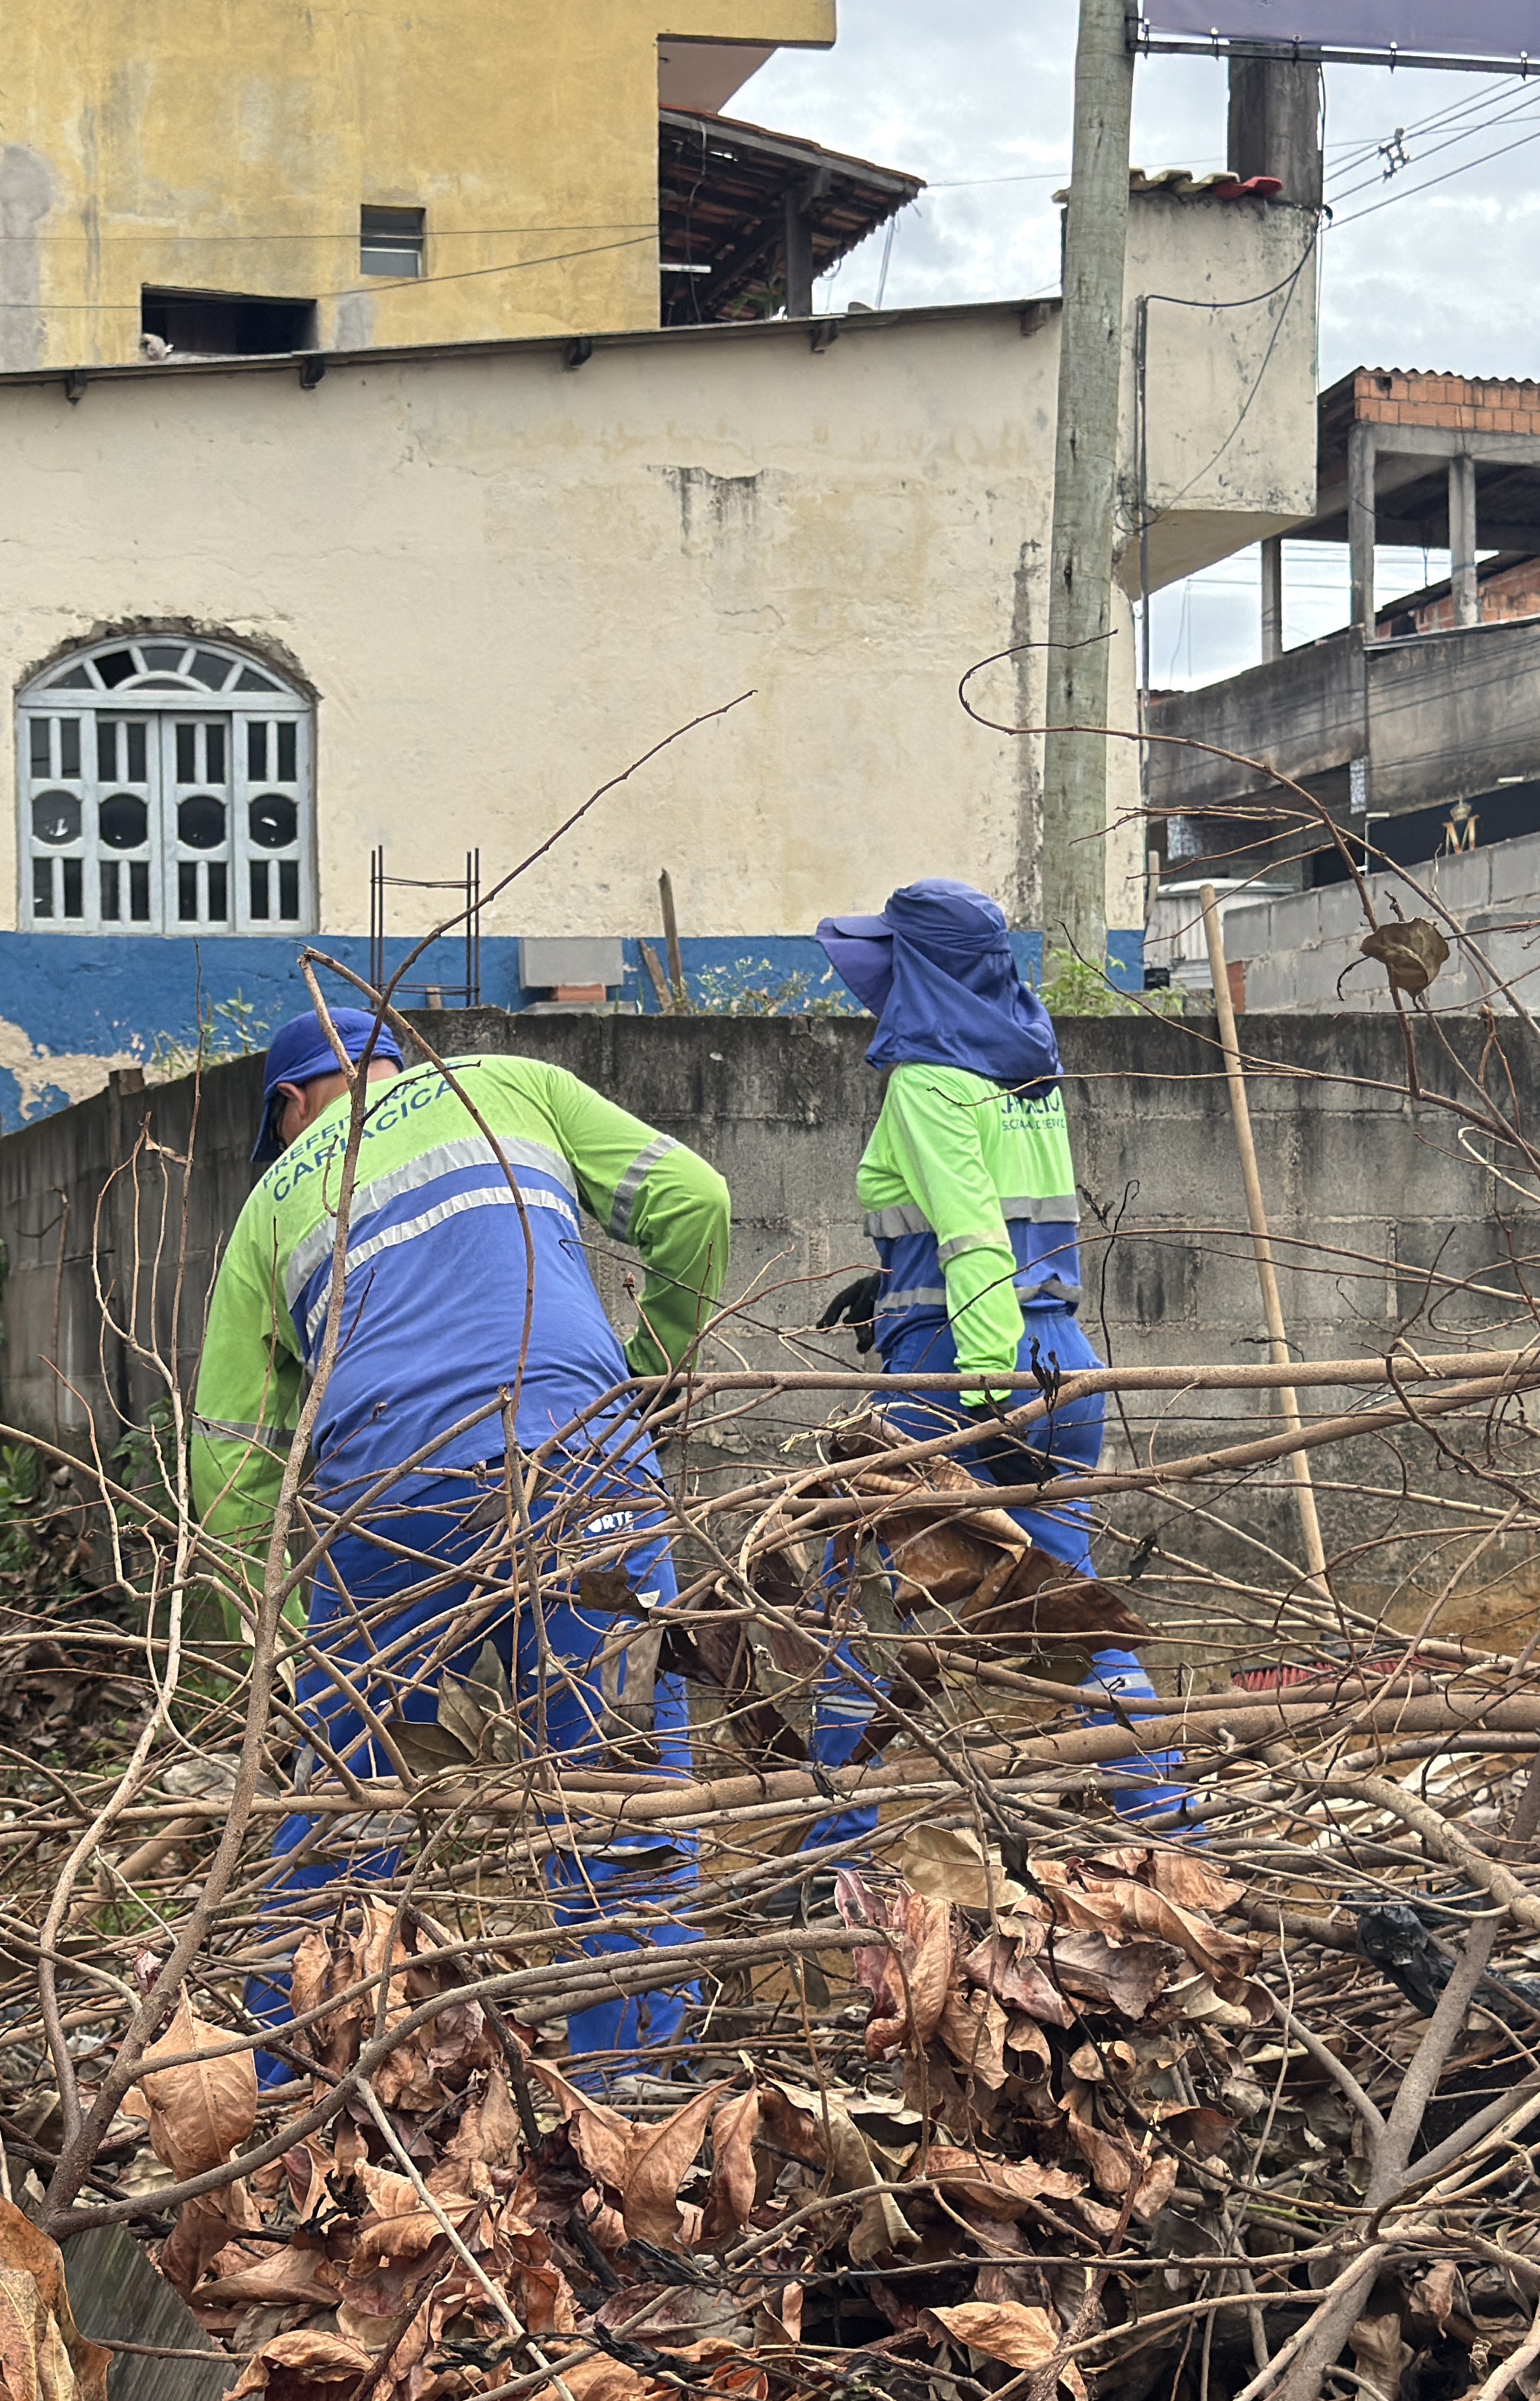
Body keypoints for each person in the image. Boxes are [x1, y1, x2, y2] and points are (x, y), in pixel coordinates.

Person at [189, 997, 729, 2064]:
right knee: (620, 1786)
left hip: (391, 1498)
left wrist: (280, 1632)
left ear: (291, 1104)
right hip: (587, 1471)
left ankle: (291, 2090)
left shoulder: (270, 1205)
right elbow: (695, 1198)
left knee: (349, 1799)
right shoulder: (513, 1083)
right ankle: (632, 2096)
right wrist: (653, 1372)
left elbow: (229, 1451)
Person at [805, 880, 1188, 1829]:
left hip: (964, 1370)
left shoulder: (928, 1081)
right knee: (1078, 1614)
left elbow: (976, 1237)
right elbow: (1012, 1233)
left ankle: (831, 1849)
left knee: (852, 1598)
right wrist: (892, 1285)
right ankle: (1169, 1819)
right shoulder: (1024, 1075)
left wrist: (982, 1395)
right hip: (1060, 1361)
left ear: (917, 970)